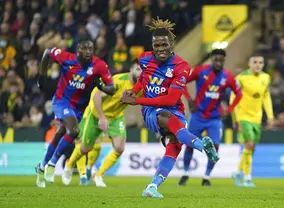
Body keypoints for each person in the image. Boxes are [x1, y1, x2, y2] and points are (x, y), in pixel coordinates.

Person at [120, 17, 219, 198]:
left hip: (175, 108)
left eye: (164, 45)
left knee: (175, 146)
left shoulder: (181, 67)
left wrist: (137, 100)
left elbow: (170, 99)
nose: (160, 49)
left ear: (171, 44)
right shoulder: (144, 59)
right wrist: (134, 91)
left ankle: (152, 187)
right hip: (151, 112)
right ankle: (202, 146)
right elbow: (144, 80)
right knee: (165, 116)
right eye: (156, 46)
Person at [35, 39, 116, 188]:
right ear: (78, 50)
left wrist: (101, 86)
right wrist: (41, 76)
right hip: (62, 101)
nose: (88, 52)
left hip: (80, 108)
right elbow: (47, 52)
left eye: (90, 49)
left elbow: (112, 89)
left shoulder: (99, 65)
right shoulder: (66, 58)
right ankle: (52, 163)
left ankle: (41, 166)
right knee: (73, 130)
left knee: (60, 133)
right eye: (84, 49)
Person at [61, 63, 142, 187]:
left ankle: (97, 175)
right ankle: (70, 164)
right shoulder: (118, 81)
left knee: (119, 148)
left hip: (116, 116)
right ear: (131, 70)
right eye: (138, 69)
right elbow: (97, 95)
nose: (141, 72)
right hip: (96, 113)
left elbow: (146, 103)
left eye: (143, 69)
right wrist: (102, 118)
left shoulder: (141, 87)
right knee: (85, 148)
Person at [178, 49, 242, 186]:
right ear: (211, 59)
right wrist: (189, 99)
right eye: (216, 60)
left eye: (221, 60)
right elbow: (181, 81)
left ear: (224, 61)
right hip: (197, 116)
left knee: (215, 147)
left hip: (215, 118)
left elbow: (239, 93)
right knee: (190, 145)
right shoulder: (200, 71)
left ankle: (207, 177)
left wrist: (229, 110)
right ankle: (185, 173)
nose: (218, 63)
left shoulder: (228, 77)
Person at [231, 55, 274, 187]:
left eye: (260, 62)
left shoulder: (266, 78)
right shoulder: (240, 78)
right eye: (255, 62)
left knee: (251, 148)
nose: (258, 65)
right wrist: (236, 119)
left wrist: (270, 116)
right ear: (249, 64)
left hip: (257, 118)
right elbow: (233, 98)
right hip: (244, 117)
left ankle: (238, 172)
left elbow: (266, 97)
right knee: (249, 145)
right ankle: (247, 178)